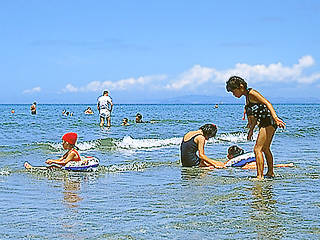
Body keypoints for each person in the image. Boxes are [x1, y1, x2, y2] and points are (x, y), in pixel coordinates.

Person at [226, 76, 286, 180]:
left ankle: (260, 176)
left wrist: (276, 118)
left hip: (269, 121)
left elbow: (267, 103)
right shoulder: (247, 98)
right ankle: (270, 173)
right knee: (265, 148)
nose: (234, 94)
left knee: (257, 149)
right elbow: (253, 117)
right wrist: (251, 130)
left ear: (241, 87)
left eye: (233, 91)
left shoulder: (252, 93)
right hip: (264, 122)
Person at [225, 145, 293, 169]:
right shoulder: (244, 156)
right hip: (254, 159)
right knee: (268, 166)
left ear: (231, 155)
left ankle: (286, 165)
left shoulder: (232, 161)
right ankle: (286, 165)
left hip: (248, 164)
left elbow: (225, 165)